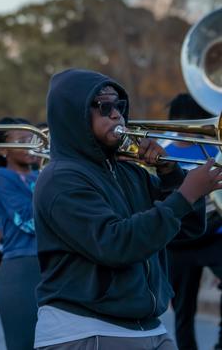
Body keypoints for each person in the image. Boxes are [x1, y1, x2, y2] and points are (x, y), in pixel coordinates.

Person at [34, 69, 218, 350]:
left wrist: (170, 173)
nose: (116, 114)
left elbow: (188, 228)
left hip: (147, 326)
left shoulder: (129, 172)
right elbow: (115, 244)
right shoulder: (60, 179)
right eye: (103, 106)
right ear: (76, 115)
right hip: (86, 329)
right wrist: (186, 193)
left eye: (118, 105)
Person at [161, 93, 222, 350]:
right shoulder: (161, 152)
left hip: (215, 234)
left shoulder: (215, 150)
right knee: (183, 309)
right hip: (179, 241)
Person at [0, 117, 42, 350]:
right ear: (3, 150)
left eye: (33, 139)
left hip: (49, 264)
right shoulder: (1, 177)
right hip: (22, 268)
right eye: (22, 140)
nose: (31, 145)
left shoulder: (41, 175)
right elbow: (29, 222)